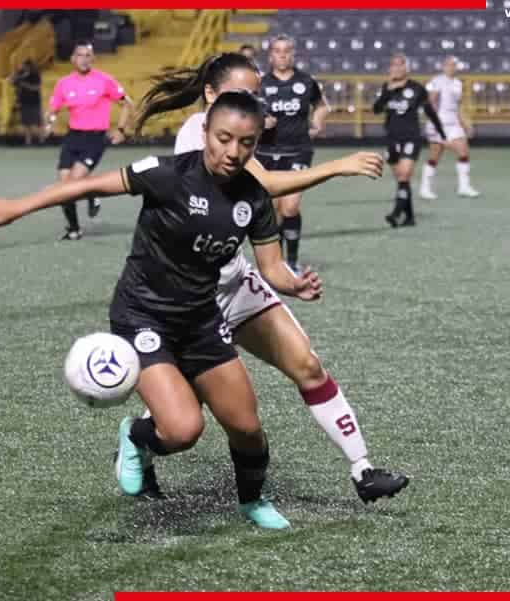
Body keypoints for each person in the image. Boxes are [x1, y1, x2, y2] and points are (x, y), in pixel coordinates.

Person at [0, 92, 321, 529]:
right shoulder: (168, 174)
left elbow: (272, 268)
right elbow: (89, 184)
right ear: (206, 132)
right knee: (182, 431)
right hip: (143, 316)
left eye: (245, 143)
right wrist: (16, 208)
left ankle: (251, 501)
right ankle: (136, 438)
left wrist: (295, 284)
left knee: (247, 428)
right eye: (223, 138)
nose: (233, 152)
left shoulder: (254, 199)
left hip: (201, 322)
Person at [133, 52, 409, 504]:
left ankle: (363, 470)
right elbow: (263, 186)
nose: (249, 101)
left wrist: (288, 279)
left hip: (236, 282)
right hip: (191, 298)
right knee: (182, 413)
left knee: (307, 365)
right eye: (238, 93)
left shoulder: (239, 135)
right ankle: (137, 450)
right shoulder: (195, 134)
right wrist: (335, 167)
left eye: (254, 95)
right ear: (208, 97)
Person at [47, 41, 133, 240]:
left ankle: (89, 193)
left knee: (73, 183)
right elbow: (53, 109)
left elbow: (126, 104)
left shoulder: (104, 80)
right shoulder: (63, 83)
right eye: (80, 55)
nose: (84, 59)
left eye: (88, 56)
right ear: (72, 59)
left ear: (93, 59)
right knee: (63, 186)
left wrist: (120, 129)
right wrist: (49, 122)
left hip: (94, 139)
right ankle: (74, 228)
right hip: (73, 137)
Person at [258, 35, 330, 273]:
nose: (282, 55)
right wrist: (262, 121)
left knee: (289, 207)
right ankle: (275, 263)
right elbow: (249, 111)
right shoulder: (260, 84)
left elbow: (321, 105)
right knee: (274, 213)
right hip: (267, 152)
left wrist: (318, 122)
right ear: (270, 55)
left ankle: (292, 261)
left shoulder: (306, 81)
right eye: (277, 51)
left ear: (293, 54)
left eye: (286, 51)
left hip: (298, 150)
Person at [373, 53, 447, 228]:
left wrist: (441, 132)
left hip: (411, 138)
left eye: (400, 65)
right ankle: (410, 217)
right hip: (391, 138)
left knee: (405, 174)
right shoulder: (387, 88)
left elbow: (429, 111)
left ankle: (396, 212)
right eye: (393, 65)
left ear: (407, 68)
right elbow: (376, 109)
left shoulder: (417, 88)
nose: (396, 68)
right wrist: (387, 91)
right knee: (401, 179)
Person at [420, 55, 480, 199]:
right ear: (444, 66)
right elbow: (432, 102)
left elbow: (457, 106)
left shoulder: (458, 84)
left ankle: (464, 187)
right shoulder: (437, 81)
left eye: (454, 65)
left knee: (463, 151)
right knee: (435, 156)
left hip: (453, 124)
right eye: (449, 65)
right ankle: (425, 188)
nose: (451, 67)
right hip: (439, 124)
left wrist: (466, 123)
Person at [12, 59, 44, 145]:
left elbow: (36, 87)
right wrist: (15, 75)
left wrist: (24, 85)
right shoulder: (21, 74)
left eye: (25, 66)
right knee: (26, 122)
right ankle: (28, 141)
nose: (24, 67)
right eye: (23, 66)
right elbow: (12, 82)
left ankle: (41, 140)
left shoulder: (35, 74)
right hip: (24, 101)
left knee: (38, 122)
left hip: (35, 101)